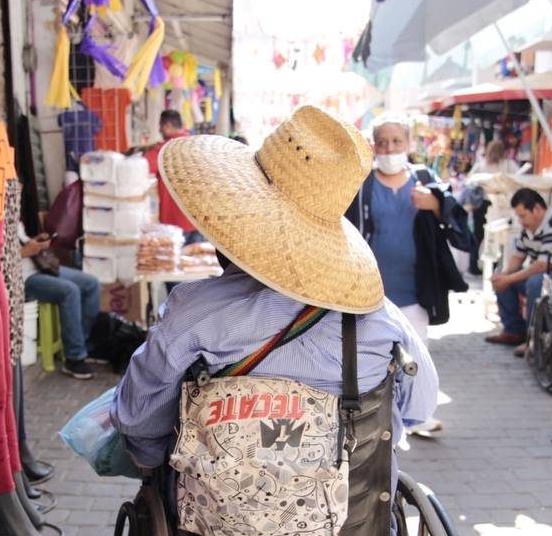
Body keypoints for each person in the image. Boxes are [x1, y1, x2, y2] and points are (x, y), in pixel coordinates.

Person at [111, 105, 438, 477]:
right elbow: (419, 407)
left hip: (208, 522)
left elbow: (139, 422)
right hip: (355, 520)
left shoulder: (192, 311)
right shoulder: (383, 320)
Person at [345, 112, 470, 434]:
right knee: (369, 354)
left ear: (409, 144)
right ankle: (371, 418)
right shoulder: (362, 184)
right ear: (374, 145)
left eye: (397, 141)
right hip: (370, 289)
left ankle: (418, 415)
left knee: (417, 354)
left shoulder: (425, 180)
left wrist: (437, 206)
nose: (390, 149)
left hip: (416, 288)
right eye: (383, 142)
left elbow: (459, 224)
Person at [487, 187, 552, 354]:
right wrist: (504, 276)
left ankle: (533, 338)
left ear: (537, 209)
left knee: (535, 282)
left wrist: (509, 278)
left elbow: (542, 265)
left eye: (523, 216)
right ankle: (514, 330)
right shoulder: (529, 228)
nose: (521, 221)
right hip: (541, 272)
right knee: (502, 276)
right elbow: (518, 257)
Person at [20, 227, 101, 379]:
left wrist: (37, 243)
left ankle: (81, 343)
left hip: (41, 267)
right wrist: (25, 251)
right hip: (24, 278)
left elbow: (24, 242)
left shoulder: (12, 217)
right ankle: (74, 358)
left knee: (91, 283)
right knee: (70, 291)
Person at [465, 139, 520, 276]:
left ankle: (477, 265)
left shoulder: (482, 165)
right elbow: (519, 178)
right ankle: (495, 266)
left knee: (480, 235)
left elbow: (470, 179)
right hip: (502, 206)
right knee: (499, 238)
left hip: (483, 204)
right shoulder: (508, 165)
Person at [144, 109, 199, 242]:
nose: (159, 130)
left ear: (167, 126)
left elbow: (142, 166)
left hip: (174, 222)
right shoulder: (196, 145)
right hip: (198, 221)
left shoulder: (164, 150)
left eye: (160, 126)